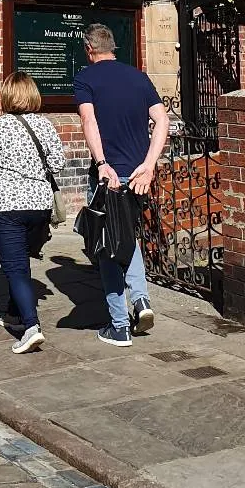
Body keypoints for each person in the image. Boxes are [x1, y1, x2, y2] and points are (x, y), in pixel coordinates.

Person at [73, 23, 170, 348]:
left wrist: (102, 165)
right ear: (113, 46)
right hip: (138, 176)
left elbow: (89, 121)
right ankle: (141, 301)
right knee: (127, 239)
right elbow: (163, 121)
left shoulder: (86, 78)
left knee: (107, 247)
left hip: (109, 177)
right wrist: (149, 164)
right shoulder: (138, 77)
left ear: (89, 49)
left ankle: (119, 326)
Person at [0, 72, 65, 354]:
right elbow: (58, 163)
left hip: (7, 209)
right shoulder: (45, 126)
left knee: (15, 268)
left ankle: (32, 327)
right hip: (39, 208)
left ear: (6, 96)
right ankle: (15, 315)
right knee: (22, 264)